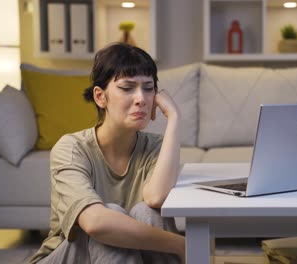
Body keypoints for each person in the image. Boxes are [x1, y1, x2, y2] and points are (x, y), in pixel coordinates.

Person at [29, 43, 185, 264]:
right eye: (127, 87)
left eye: (148, 88)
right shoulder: (71, 148)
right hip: (65, 258)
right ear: (100, 97)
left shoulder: (155, 147)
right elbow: (95, 223)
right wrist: (180, 245)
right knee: (109, 219)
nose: (141, 98)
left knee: (148, 212)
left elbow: (156, 197)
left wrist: (175, 118)